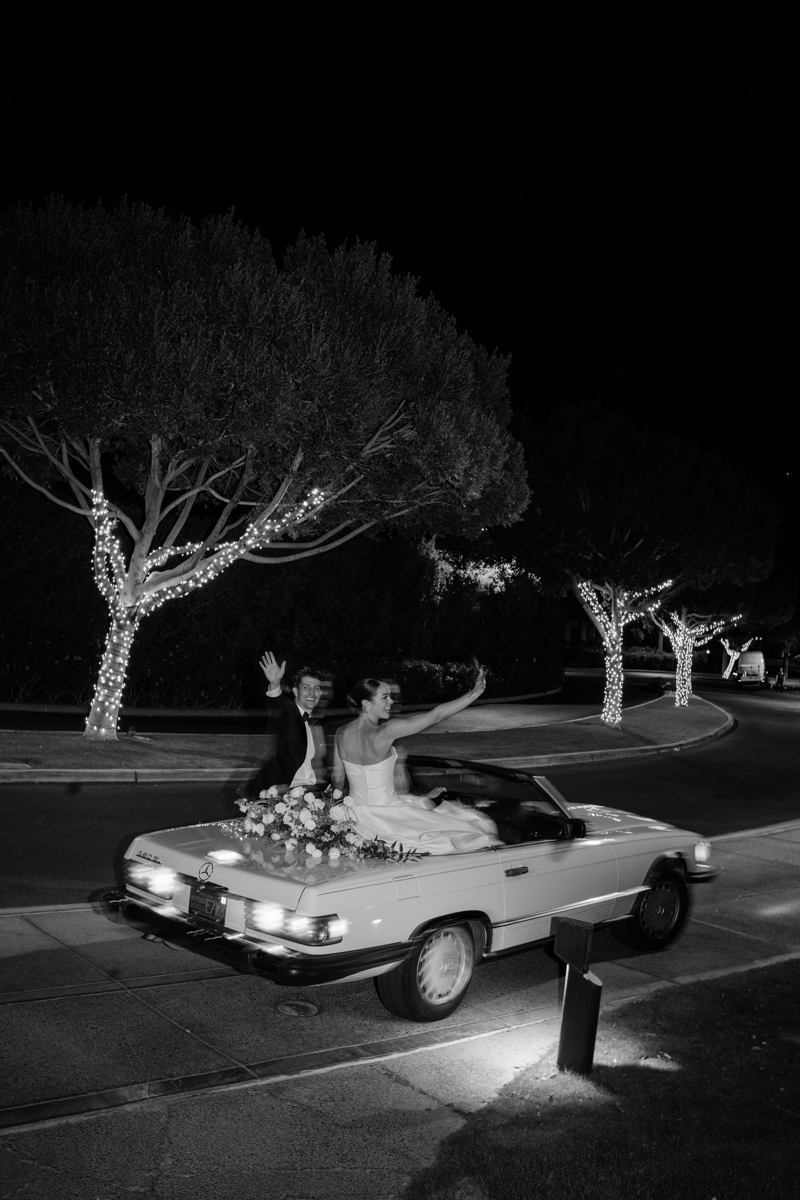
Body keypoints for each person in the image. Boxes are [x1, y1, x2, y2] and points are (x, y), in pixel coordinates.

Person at [331, 668, 501, 855]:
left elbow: (337, 778)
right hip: (387, 816)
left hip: (354, 816)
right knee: (463, 830)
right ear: (366, 704)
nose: (391, 702)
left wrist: (335, 809)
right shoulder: (387, 731)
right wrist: (474, 694)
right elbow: (436, 716)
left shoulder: (341, 732)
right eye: (385, 697)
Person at [245, 652, 328, 795]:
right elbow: (277, 706)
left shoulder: (317, 725)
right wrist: (275, 683)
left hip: (311, 793)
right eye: (306, 687)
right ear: (295, 691)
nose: (311, 693)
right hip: (281, 794)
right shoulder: (289, 712)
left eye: (316, 689)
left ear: (320, 693)